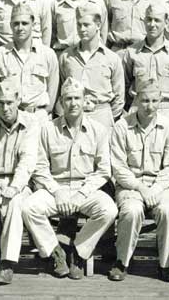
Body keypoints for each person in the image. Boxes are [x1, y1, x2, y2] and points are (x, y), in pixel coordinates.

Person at [22, 78, 117, 280]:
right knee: (28, 207)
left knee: (109, 210)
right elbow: (40, 167)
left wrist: (81, 193)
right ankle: (55, 251)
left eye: (77, 98)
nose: (73, 103)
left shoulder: (98, 130)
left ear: (85, 101)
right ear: (61, 103)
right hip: (56, 189)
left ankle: (78, 252)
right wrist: (57, 192)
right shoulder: (47, 129)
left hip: (86, 190)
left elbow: (103, 170)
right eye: (68, 99)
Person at [109, 78, 169, 282]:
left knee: (168, 210)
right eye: (145, 100)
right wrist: (141, 188)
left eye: (154, 101)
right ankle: (122, 261)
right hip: (131, 185)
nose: (150, 106)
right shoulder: (122, 127)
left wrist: (155, 189)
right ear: (137, 99)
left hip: (160, 185)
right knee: (131, 211)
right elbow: (118, 167)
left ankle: (165, 263)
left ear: (160, 101)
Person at [0, 79, 40, 285]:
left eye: (10, 102)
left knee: (14, 204)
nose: (5, 108)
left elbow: (28, 160)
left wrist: (14, 187)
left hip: (19, 181)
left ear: (18, 100)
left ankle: (7, 262)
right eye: (1, 103)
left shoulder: (31, 123)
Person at [0, 2, 59, 123]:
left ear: (33, 24)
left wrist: (44, 113)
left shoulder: (48, 55)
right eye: (16, 24)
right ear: (10, 25)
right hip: (8, 120)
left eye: (24, 23)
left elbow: (52, 92)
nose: (20, 28)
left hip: (38, 119)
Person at [58, 2, 124, 128]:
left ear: (98, 25)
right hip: (74, 118)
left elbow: (119, 97)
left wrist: (107, 117)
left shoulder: (111, 58)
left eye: (86, 25)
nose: (82, 29)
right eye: (79, 25)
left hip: (102, 117)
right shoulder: (66, 57)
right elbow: (61, 92)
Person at [122, 2, 169, 125]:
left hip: (167, 110)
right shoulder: (132, 52)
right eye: (149, 19)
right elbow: (124, 85)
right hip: (139, 109)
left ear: (166, 23)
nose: (152, 24)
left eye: (157, 20)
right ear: (144, 21)